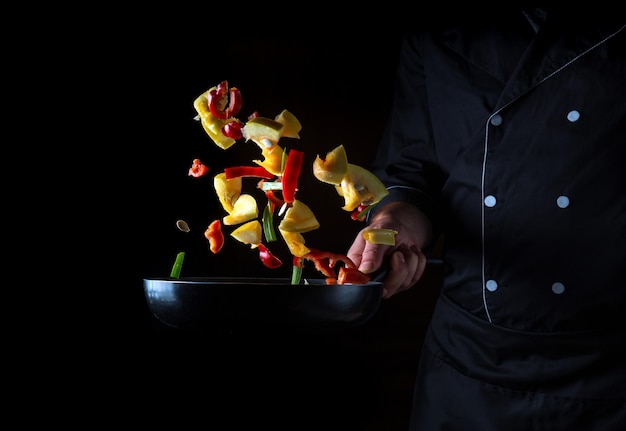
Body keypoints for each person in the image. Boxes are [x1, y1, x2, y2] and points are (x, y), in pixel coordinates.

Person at [346, 9, 626, 430]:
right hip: (469, 361)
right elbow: (413, 173)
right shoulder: (438, 27)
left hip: (609, 365)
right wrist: (392, 224)